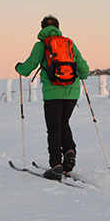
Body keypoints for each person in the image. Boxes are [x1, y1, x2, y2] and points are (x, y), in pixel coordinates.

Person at [15, 15, 90, 178]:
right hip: (72, 91)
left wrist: (18, 67)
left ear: (42, 28)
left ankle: (56, 164)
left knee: (54, 127)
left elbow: (27, 68)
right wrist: (80, 75)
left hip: (52, 93)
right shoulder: (69, 43)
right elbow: (84, 69)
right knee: (64, 122)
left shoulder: (41, 45)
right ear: (58, 27)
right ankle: (69, 151)